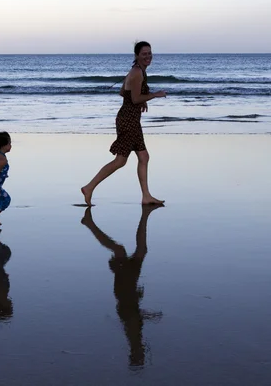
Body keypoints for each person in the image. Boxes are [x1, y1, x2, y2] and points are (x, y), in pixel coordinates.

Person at [81, 41, 166, 206]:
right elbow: (134, 99)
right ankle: (89, 187)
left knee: (143, 156)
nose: (148, 56)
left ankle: (146, 196)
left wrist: (142, 99)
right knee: (121, 161)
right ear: (137, 56)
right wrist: (153, 95)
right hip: (128, 121)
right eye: (144, 54)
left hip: (130, 119)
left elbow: (123, 92)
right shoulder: (137, 73)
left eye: (149, 53)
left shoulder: (137, 71)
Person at [81, 205, 164, 368]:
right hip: (126, 288)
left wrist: (146, 316)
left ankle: (90, 224)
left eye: (140, 353)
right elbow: (133, 316)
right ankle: (90, 224)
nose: (142, 350)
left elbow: (132, 317)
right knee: (135, 251)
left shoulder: (133, 335)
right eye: (141, 353)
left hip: (126, 288)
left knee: (122, 250)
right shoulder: (133, 333)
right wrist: (148, 316)